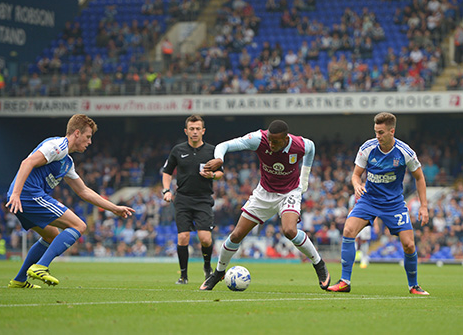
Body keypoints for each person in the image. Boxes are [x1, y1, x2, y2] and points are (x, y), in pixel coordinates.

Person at [6, 114, 134, 289]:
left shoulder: (67, 161)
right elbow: (26, 163)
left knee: (51, 236)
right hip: (27, 195)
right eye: (88, 137)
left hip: (25, 197)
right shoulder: (57, 147)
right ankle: (40, 267)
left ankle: (19, 280)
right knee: (79, 226)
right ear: (76, 133)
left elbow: (83, 191)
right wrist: (16, 193)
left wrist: (114, 208)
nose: (90, 142)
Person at [200, 120, 330, 291]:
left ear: (285, 139)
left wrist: (304, 178)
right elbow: (224, 145)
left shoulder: (299, 145)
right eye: (269, 139)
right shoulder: (258, 139)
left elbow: (311, 148)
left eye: (275, 142)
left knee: (289, 230)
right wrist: (219, 158)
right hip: (264, 193)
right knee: (236, 235)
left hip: (289, 192)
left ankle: (319, 264)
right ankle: (218, 272)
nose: (270, 144)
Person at [327, 112, 429, 295]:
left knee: (409, 245)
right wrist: (357, 185)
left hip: (394, 204)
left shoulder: (405, 152)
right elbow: (356, 175)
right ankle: (344, 281)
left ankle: (413, 286)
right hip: (369, 199)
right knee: (348, 230)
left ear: (392, 131)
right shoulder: (367, 148)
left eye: (381, 132)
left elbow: (419, 177)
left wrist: (423, 206)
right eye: (376, 132)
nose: (377, 136)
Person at [162, 115, 223, 285]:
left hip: (203, 199)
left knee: (205, 238)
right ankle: (183, 276)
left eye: (198, 129)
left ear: (203, 131)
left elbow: (221, 173)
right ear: (186, 131)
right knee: (183, 238)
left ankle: (207, 268)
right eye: (191, 129)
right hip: (182, 199)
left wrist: (212, 175)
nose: (195, 132)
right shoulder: (178, 150)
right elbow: (167, 172)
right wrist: (166, 190)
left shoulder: (212, 151)